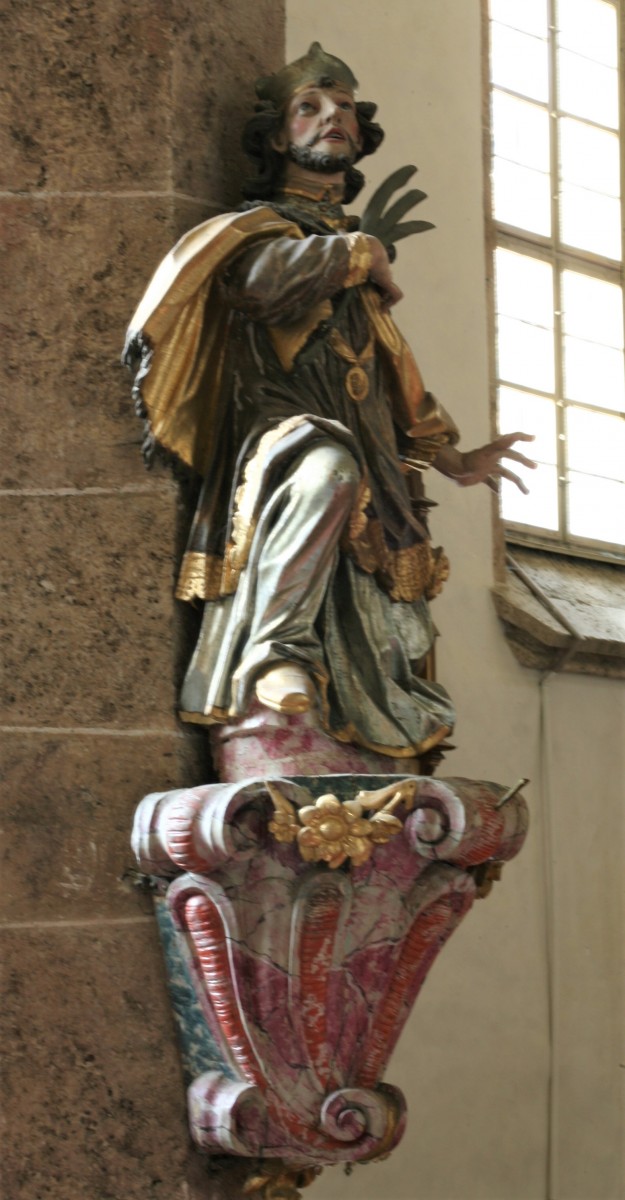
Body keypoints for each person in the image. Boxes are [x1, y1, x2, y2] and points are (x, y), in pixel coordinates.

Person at [124, 43, 534, 763]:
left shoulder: (342, 241)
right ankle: (274, 655)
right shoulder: (254, 230)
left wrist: (450, 456)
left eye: (343, 108)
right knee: (326, 472)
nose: (330, 119)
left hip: (368, 447)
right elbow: (257, 283)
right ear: (279, 136)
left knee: (372, 591)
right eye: (309, 108)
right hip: (277, 438)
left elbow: (386, 367)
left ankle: (345, 708)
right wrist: (360, 254)